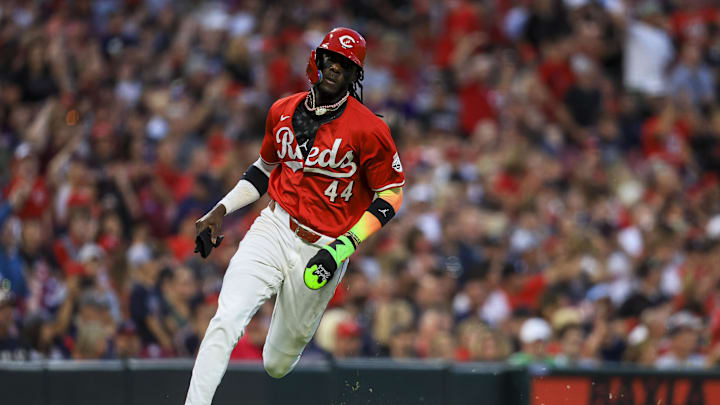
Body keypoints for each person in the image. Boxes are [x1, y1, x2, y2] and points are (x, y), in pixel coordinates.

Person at [185, 27, 405, 404]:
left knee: (277, 363)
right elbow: (263, 168)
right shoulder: (283, 109)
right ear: (317, 61)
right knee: (226, 318)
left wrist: (341, 249)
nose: (336, 68)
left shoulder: (370, 129)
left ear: (356, 76)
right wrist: (220, 209)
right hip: (275, 225)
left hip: (326, 246)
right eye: (331, 58)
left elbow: (392, 194)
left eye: (347, 64)